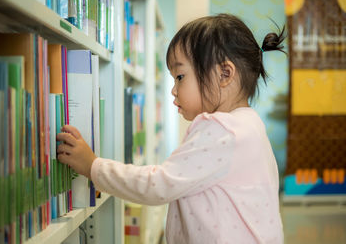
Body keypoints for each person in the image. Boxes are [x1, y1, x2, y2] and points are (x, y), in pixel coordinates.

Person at [57, 13, 285, 244]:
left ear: (224, 74)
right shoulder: (250, 125)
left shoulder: (220, 128)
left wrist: (92, 166)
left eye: (180, 77)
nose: (173, 90)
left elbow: (157, 186)